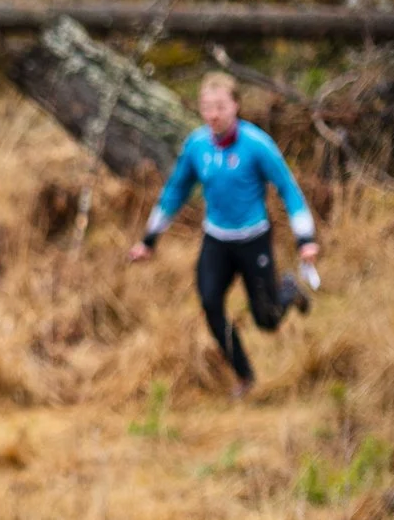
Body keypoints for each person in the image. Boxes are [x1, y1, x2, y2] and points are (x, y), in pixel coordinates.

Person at [129, 72, 319, 397]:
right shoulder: (197, 146)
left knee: (267, 320)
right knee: (210, 303)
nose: (213, 115)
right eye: (206, 107)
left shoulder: (256, 145)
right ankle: (245, 377)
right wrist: (149, 240)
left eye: (220, 107)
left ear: (235, 106)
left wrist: (305, 238)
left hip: (253, 239)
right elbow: (175, 191)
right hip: (216, 241)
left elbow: (289, 189)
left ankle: (288, 289)